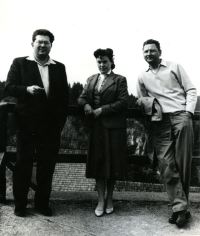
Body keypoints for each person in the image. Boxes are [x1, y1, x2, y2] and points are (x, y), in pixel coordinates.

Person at [5, 29, 68, 217]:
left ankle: (42, 204)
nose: (42, 45)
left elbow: (64, 97)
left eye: (46, 42)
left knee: (46, 165)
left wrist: (59, 123)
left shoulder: (59, 67)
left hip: (50, 126)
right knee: (23, 163)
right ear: (32, 43)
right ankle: (20, 205)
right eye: (39, 42)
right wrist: (26, 90)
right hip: (26, 124)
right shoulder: (20, 63)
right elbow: (8, 87)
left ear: (51, 45)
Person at [137, 39, 197, 226]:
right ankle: (182, 209)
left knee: (183, 163)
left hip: (181, 117)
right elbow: (142, 100)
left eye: (152, 51)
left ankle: (179, 209)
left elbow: (191, 90)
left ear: (159, 52)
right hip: (160, 123)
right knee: (166, 164)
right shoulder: (142, 76)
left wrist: (188, 113)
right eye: (145, 51)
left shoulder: (174, 67)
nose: (149, 54)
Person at [78, 48, 128, 217]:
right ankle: (100, 200)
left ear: (111, 62)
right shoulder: (91, 79)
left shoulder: (120, 80)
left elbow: (123, 102)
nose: (102, 65)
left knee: (112, 164)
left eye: (105, 61)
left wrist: (102, 110)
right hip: (97, 128)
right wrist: (85, 105)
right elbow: (81, 97)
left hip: (114, 128)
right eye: (99, 62)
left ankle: (110, 198)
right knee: (98, 164)